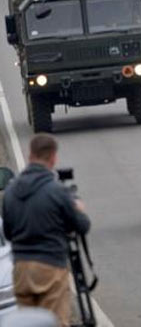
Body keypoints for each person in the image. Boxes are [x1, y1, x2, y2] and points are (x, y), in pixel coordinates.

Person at [2, 134, 90, 327]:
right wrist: (78, 209)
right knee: (55, 321)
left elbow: (8, 233)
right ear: (53, 158)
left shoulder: (10, 192)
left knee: (28, 323)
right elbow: (82, 226)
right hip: (50, 266)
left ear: (29, 155)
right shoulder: (56, 191)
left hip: (21, 269)